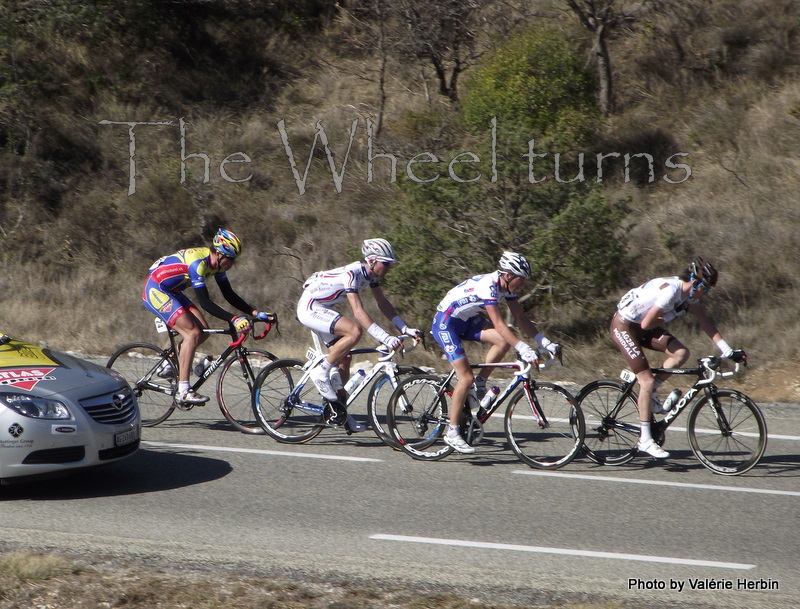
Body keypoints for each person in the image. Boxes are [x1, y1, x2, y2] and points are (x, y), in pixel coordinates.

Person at [610, 257, 742, 459]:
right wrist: (673, 314)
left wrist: (728, 350)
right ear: (695, 282)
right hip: (625, 325)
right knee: (645, 379)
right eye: (705, 289)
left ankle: (651, 393)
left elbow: (705, 322)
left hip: (642, 325)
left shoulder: (690, 294)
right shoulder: (671, 291)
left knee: (681, 353)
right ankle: (645, 440)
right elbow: (646, 324)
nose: (706, 294)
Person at [431, 251, 561, 454]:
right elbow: (500, 324)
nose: (522, 285)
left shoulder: (506, 287)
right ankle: (452, 432)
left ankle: (480, 383)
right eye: (521, 280)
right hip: (446, 323)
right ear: (508, 275)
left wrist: (545, 342)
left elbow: (520, 317)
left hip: (465, 321)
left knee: (502, 342)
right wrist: (524, 348)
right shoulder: (488, 286)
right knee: (465, 378)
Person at [297, 238, 422, 432]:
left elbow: (383, 303)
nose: (389, 268)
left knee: (345, 358)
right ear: (372, 260)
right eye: (386, 264)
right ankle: (321, 372)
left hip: (322, 308)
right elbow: (358, 312)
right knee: (354, 331)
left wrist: (404, 328)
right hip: (310, 307)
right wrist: (385, 337)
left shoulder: (371, 276)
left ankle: (339, 412)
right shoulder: (352, 274)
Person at [143, 228, 273, 405]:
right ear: (219, 254)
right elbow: (205, 303)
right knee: (192, 334)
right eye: (231, 259)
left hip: (173, 290)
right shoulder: (199, 264)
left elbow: (228, 294)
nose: (233, 263)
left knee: (203, 332)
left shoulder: (218, 266)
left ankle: (170, 364)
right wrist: (234, 319)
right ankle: (183, 391)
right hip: (157, 290)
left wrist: (254, 312)